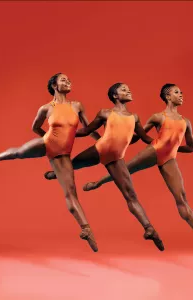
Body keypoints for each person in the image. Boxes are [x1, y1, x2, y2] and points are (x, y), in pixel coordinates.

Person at [81, 83, 193, 257]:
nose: (181, 95)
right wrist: (119, 141)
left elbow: (190, 148)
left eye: (181, 92)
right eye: (176, 92)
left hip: (169, 158)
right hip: (154, 150)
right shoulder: (158, 117)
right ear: (167, 96)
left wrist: (172, 147)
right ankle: (98, 182)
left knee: (181, 198)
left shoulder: (186, 122)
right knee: (127, 169)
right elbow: (139, 135)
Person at [0, 73, 99, 252]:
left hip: (62, 154)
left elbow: (87, 129)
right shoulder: (46, 108)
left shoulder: (77, 106)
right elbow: (35, 127)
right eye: (63, 80)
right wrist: (48, 138)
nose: (68, 81)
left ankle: (86, 229)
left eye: (69, 79)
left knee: (71, 193)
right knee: (19, 152)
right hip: (46, 143)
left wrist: (100, 140)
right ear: (54, 86)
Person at [44, 83, 164, 251]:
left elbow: (143, 137)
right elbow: (87, 131)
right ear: (115, 96)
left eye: (129, 88)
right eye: (123, 89)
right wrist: (64, 131)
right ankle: (55, 173)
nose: (128, 90)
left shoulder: (134, 117)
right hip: (100, 149)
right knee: (71, 165)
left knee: (131, 195)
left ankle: (149, 228)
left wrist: (161, 143)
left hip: (116, 158)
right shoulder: (105, 113)